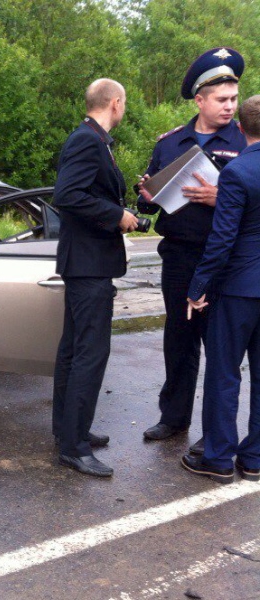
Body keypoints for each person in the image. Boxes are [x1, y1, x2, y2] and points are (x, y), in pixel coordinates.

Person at [138, 48, 245, 453]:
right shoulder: (170, 143)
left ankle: (214, 431)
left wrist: (223, 198)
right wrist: (147, 196)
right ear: (199, 100)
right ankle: (173, 417)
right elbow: (151, 202)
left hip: (225, 259)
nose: (229, 106)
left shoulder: (247, 142)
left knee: (219, 345)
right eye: (222, 99)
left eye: (234, 99)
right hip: (180, 255)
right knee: (179, 338)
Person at [52, 79, 138, 477]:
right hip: (89, 265)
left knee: (74, 352)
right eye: (124, 103)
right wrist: (117, 215)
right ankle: (74, 448)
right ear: (115, 103)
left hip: (86, 263)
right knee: (89, 353)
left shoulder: (94, 139)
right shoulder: (88, 140)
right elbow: (67, 195)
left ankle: (69, 430)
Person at [183, 95, 260, 485]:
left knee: (224, 373)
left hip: (238, 289)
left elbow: (222, 239)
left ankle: (217, 458)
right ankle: (255, 458)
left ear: (241, 128)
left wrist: (197, 287)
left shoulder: (237, 172)